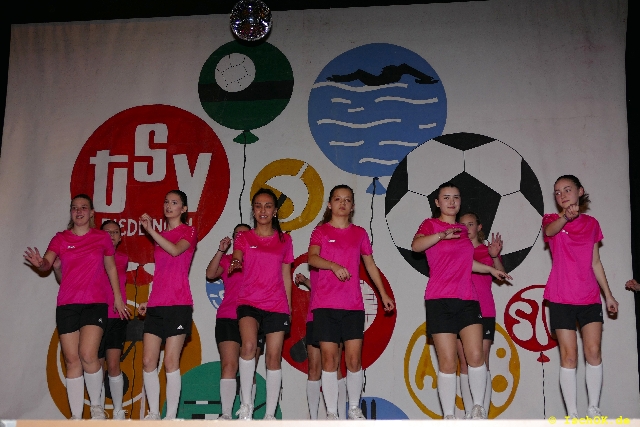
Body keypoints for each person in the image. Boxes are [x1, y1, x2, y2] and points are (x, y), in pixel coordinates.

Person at [24, 194, 129, 420]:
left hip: (95, 303)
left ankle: (97, 407)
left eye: (83, 207)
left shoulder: (101, 238)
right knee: (72, 360)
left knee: (88, 355)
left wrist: (118, 298)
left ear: (91, 213)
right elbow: (47, 263)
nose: (79, 211)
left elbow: (111, 268)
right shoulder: (61, 238)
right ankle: (76, 416)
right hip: (67, 304)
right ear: (71, 212)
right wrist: (41, 263)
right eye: (74, 208)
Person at [411, 182, 510, 420]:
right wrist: (441, 235)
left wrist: (491, 269)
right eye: (446, 197)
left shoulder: (463, 232)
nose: (451, 201)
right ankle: (448, 415)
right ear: (438, 202)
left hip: (467, 299)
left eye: (456, 197)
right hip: (439, 300)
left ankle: (477, 408)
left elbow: (465, 262)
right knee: (447, 361)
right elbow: (415, 246)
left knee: (475, 356)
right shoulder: (430, 225)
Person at [308, 184, 395, 420]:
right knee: (329, 359)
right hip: (325, 305)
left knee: (354, 360)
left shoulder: (360, 233)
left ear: (353, 206)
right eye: (338, 199)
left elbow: (370, 265)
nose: (342, 203)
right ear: (330, 204)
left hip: (353, 306)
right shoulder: (320, 231)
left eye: (347, 200)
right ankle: (331, 412)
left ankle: (354, 408)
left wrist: (383, 294)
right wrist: (333, 265)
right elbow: (312, 258)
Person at [542, 175, 618, 419]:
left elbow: (595, 262)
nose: (562, 195)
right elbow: (550, 231)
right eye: (557, 192)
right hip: (560, 297)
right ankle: (572, 414)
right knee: (569, 355)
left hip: (589, 297)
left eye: (567, 189)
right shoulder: (552, 220)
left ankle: (593, 408)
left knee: (593, 351)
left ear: (580, 191)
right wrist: (565, 217)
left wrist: (609, 296)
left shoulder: (592, 223)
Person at [229, 188, 294, 420]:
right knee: (248, 347)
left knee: (273, 358)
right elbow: (237, 254)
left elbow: (286, 275)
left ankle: (269, 415)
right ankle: (246, 405)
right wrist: (236, 261)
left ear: (275, 211)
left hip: (276, 305)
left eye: (267, 206)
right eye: (258, 206)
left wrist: (289, 308)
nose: (263, 210)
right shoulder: (244, 237)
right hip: (249, 301)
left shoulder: (285, 240)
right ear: (253, 210)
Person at [138, 190, 197, 420]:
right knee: (148, 361)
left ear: (183, 209)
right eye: (166, 202)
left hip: (179, 304)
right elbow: (163, 274)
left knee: (171, 361)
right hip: (157, 305)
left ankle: (170, 417)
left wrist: (151, 230)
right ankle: (153, 414)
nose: (169, 206)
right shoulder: (160, 236)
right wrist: (150, 300)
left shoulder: (188, 231)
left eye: (174, 202)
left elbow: (174, 251)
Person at [205, 223, 262, 420]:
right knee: (229, 365)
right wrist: (221, 250)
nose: (241, 237)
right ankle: (226, 414)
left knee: (249, 370)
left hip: (255, 317)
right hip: (228, 317)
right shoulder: (228, 259)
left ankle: (247, 413)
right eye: (237, 235)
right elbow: (210, 274)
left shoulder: (260, 259)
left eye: (245, 234)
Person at [456, 212, 506, 419]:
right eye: (462, 225)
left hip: (484, 309)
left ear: (479, 227)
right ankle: (470, 413)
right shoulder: (455, 250)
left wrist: (494, 256)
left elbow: (501, 276)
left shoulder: (487, 250)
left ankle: (481, 415)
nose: (467, 228)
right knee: (464, 362)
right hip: (460, 310)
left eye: (470, 224)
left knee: (481, 360)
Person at [294, 273, 347, 420]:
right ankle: (313, 420)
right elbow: (319, 287)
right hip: (314, 317)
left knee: (335, 368)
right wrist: (306, 281)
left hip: (334, 317)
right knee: (313, 370)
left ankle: (342, 419)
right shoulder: (315, 264)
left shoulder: (337, 263)